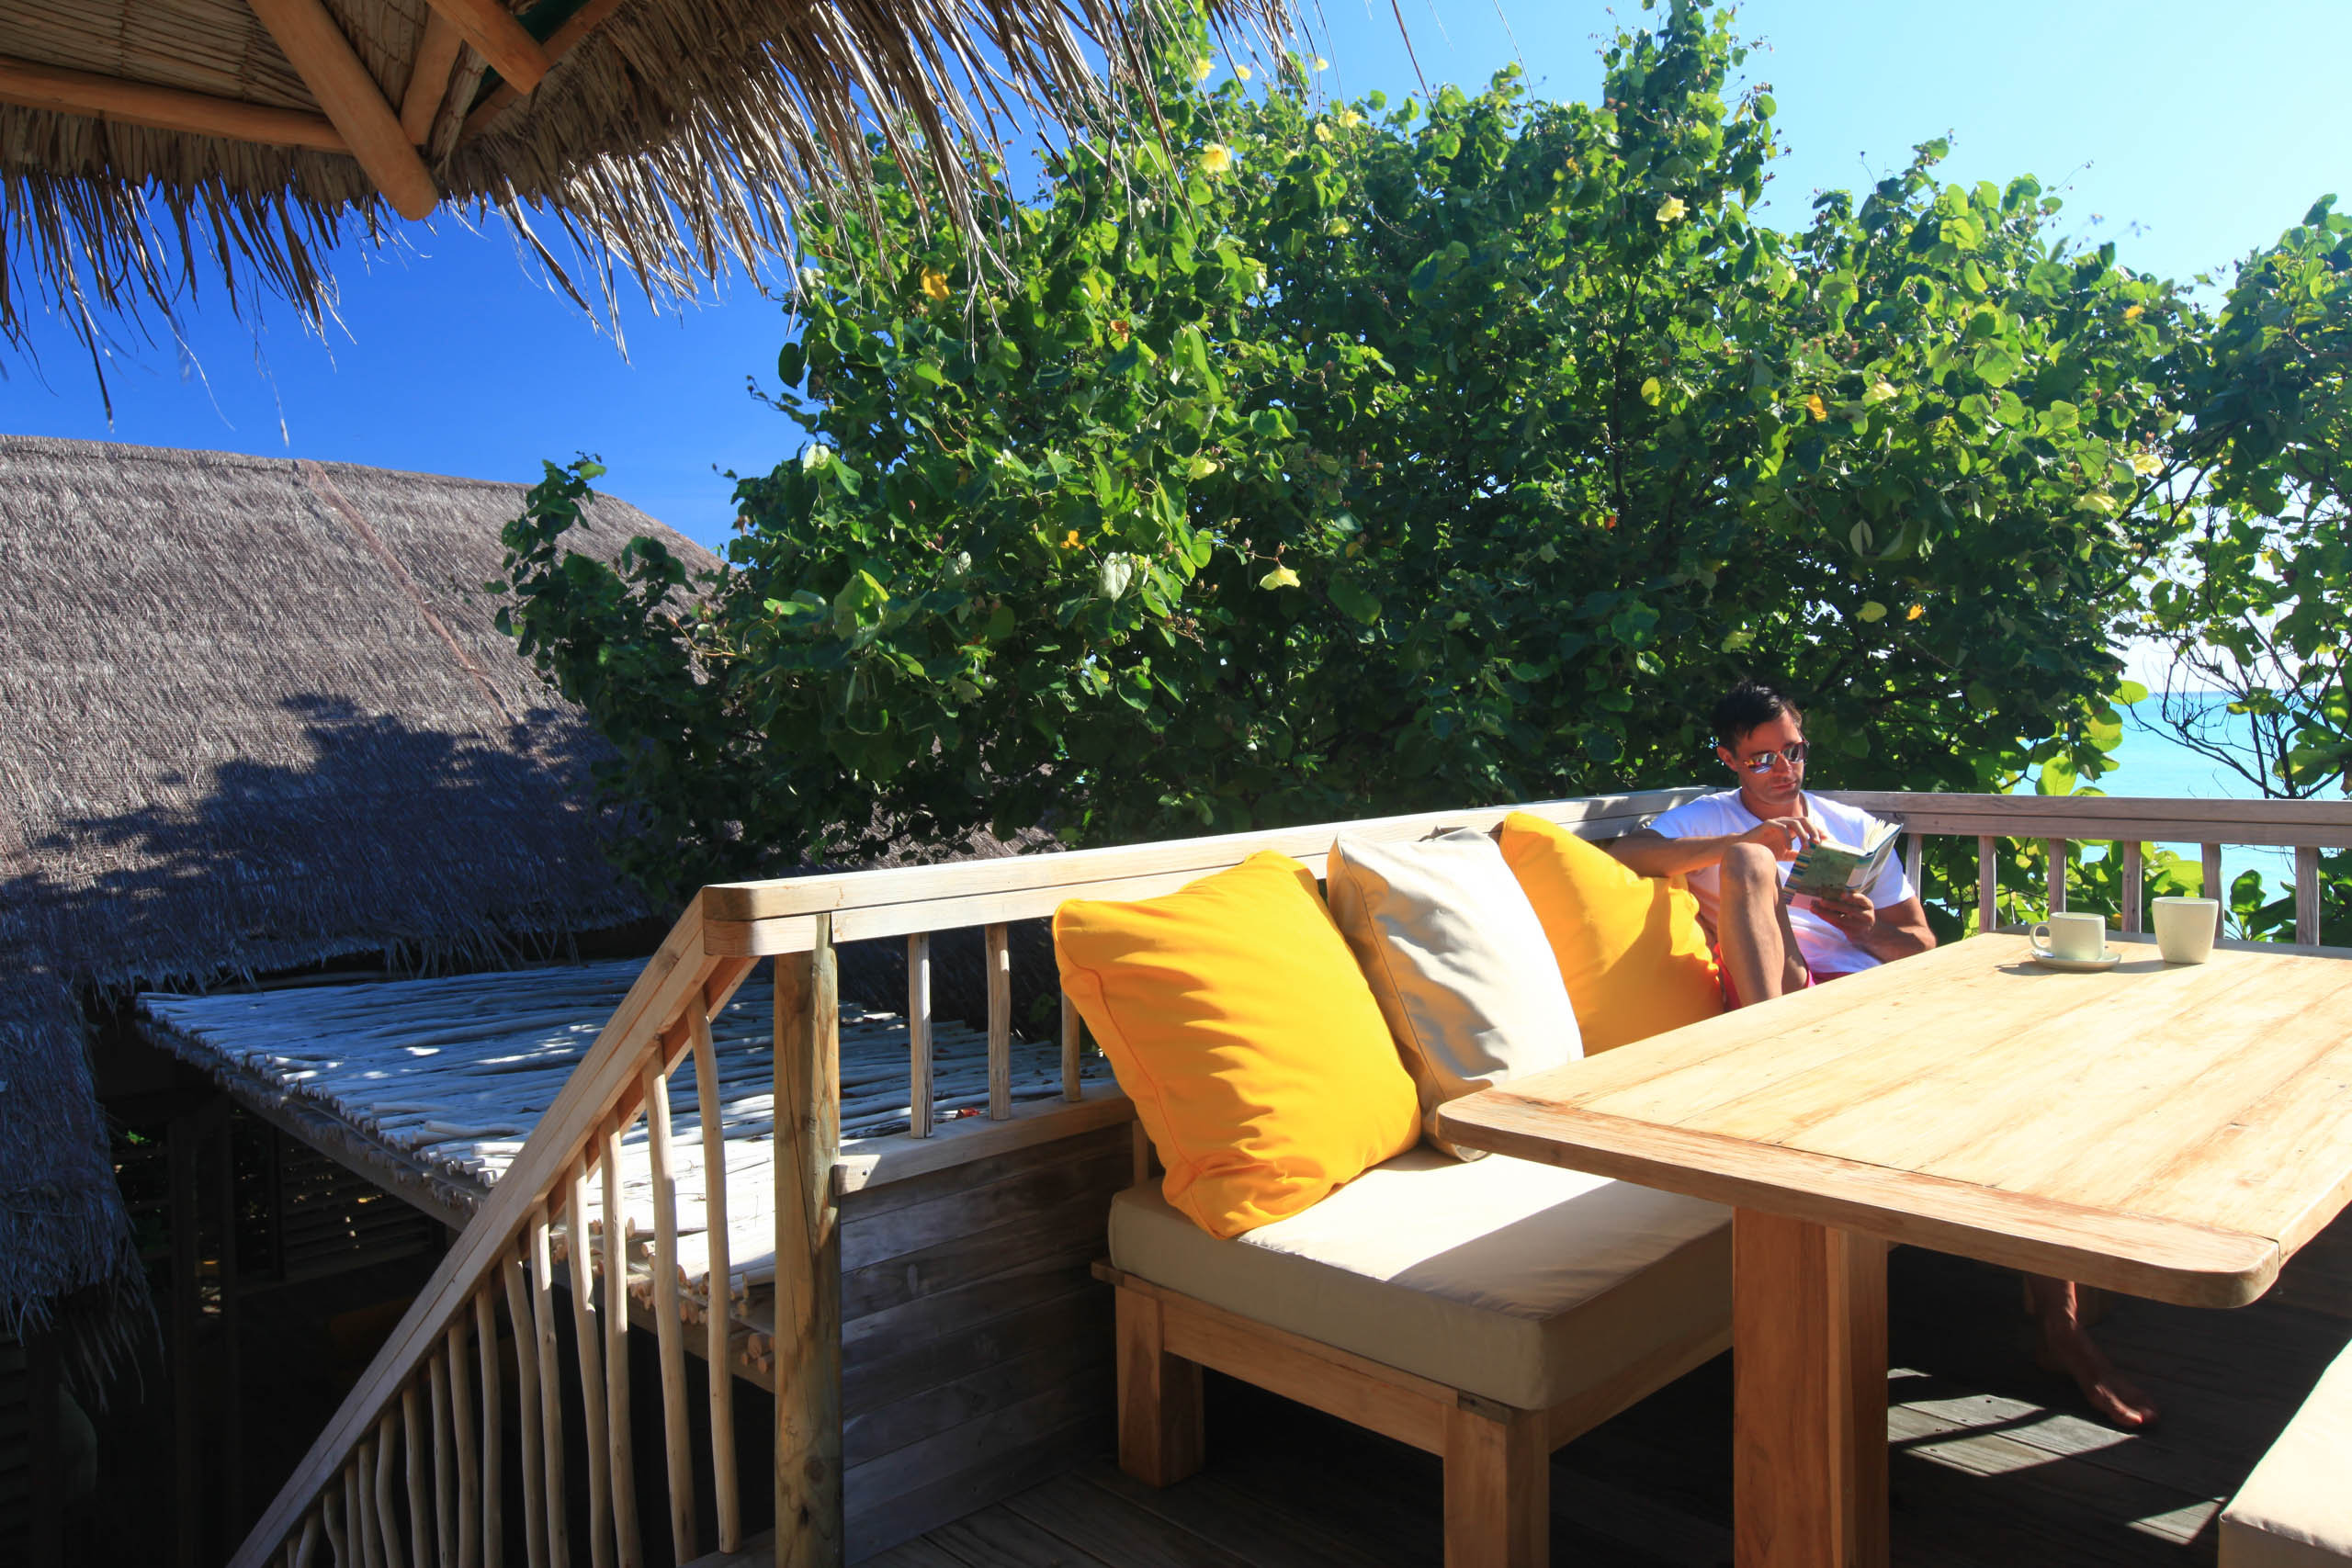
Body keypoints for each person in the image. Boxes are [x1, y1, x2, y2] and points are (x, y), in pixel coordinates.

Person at [1606, 680, 2159, 1431]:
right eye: (1762, 758)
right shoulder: (1710, 818)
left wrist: (1865, 927)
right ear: (1729, 758)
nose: (1783, 770)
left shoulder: (1850, 828)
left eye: (1793, 751)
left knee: (2024, 1084)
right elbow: (1624, 851)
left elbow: (1921, 944)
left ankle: (2061, 1330)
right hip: (1781, 1004)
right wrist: (1750, 842)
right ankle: (1769, 1061)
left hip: (1867, 1002)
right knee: (1748, 864)